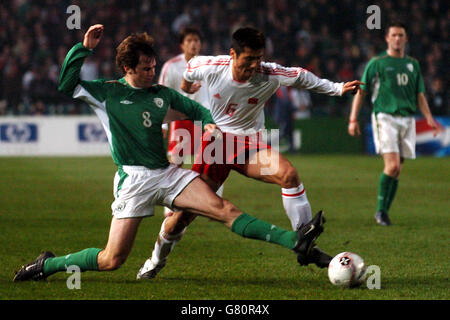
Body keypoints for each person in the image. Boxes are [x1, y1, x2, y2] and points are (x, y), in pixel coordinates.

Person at [13, 24, 326, 282]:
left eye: (154, 66)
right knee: (112, 259)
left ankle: (294, 241)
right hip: (133, 181)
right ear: (127, 68)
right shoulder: (106, 93)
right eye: (147, 69)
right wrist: (83, 49)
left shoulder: (161, 95)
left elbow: (199, 109)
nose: (153, 73)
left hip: (167, 174)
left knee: (223, 209)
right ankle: (48, 264)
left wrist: (209, 126)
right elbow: (66, 85)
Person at [140, 27, 363, 279]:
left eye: (259, 57)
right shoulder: (212, 66)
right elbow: (189, 69)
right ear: (233, 54)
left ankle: (303, 241)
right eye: (249, 59)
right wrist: (186, 84)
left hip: (250, 145)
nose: (255, 65)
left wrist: (337, 88)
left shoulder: (268, 73)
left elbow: (301, 76)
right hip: (217, 146)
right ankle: (154, 261)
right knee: (182, 218)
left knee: (288, 174)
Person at [348, 22, 441, 226]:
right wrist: (353, 118)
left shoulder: (412, 64)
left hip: (407, 119)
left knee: (398, 169)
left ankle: (384, 212)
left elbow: (420, 94)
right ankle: (380, 211)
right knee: (392, 166)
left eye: (401, 35)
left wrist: (429, 118)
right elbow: (361, 91)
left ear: (406, 39)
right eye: (394, 35)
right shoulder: (377, 63)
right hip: (385, 117)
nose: (397, 38)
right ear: (387, 39)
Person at [158, 27, 224, 216]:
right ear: (182, 44)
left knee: (210, 159)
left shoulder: (207, 65)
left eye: (196, 40)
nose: (194, 44)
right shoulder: (171, 66)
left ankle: (211, 201)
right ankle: (169, 202)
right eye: (189, 40)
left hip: (204, 119)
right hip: (181, 118)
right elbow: (162, 94)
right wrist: (162, 124)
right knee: (176, 162)